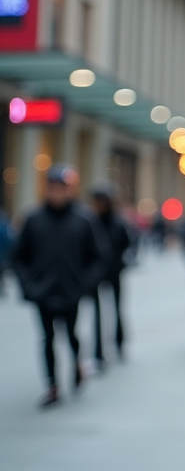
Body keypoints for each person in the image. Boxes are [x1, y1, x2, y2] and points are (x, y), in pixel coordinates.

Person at [13, 164, 105, 407]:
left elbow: (97, 256)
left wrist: (85, 285)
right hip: (43, 292)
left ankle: (77, 364)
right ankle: (52, 385)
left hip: (71, 291)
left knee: (71, 334)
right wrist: (29, 286)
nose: (57, 193)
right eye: (53, 188)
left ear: (69, 190)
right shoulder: (34, 219)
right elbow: (19, 257)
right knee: (47, 338)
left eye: (61, 188)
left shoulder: (83, 220)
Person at [89, 182, 134, 367]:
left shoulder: (117, 222)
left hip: (114, 271)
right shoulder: (90, 222)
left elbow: (127, 243)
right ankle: (98, 352)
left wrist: (119, 260)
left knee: (117, 308)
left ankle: (119, 342)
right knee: (97, 313)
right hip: (96, 272)